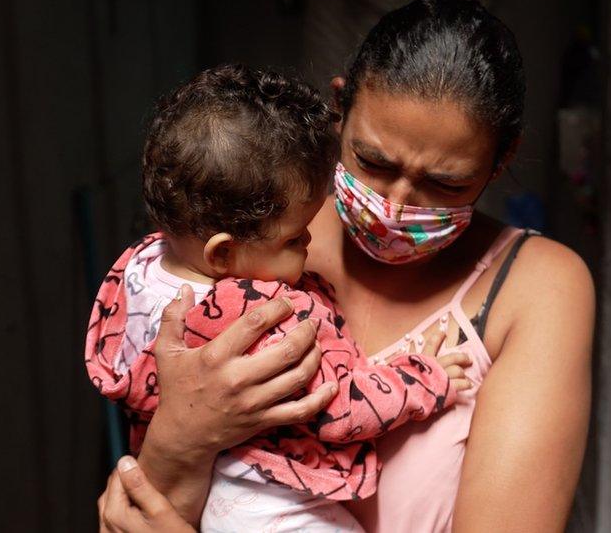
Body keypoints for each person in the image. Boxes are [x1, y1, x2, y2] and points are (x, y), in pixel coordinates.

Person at [97, 0, 594, 532]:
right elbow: (135, 512)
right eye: (374, 161)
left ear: (502, 160)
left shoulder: (538, 287)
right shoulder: (254, 233)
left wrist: (183, 444)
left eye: (445, 183)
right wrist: (177, 441)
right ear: (340, 109)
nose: (398, 206)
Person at [86, 64, 474, 531]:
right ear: (224, 253)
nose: (310, 242)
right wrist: (424, 379)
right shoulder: (263, 315)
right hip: (271, 510)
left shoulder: (137, 271)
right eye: (294, 239)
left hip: (189, 497)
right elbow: (338, 408)